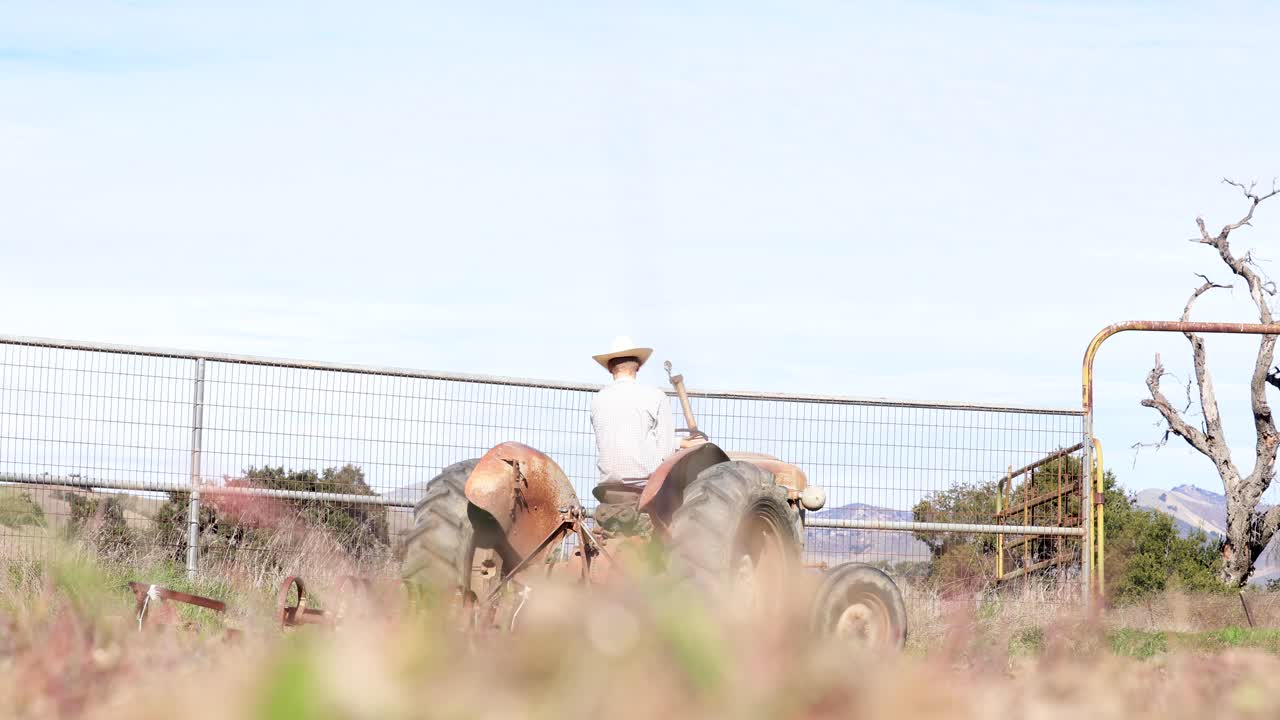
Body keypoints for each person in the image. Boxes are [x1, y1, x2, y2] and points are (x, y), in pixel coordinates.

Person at [589, 336, 678, 536]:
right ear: (637, 367)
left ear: (610, 368)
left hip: (607, 489)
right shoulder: (655, 396)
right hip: (644, 490)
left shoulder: (598, 400)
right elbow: (666, 451)